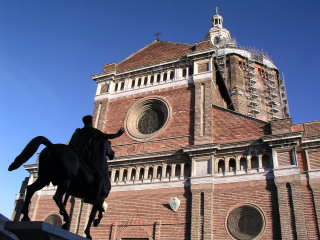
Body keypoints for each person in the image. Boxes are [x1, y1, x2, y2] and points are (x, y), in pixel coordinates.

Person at [69, 115, 124, 195]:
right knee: (100, 176)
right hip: (87, 157)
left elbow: (71, 144)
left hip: (76, 156)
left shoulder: (78, 131)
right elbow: (107, 136)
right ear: (91, 122)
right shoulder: (93, 131)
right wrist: (118, 134)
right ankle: (94, 196)